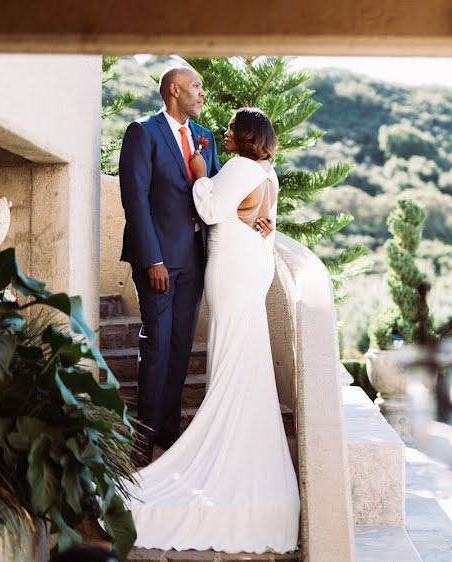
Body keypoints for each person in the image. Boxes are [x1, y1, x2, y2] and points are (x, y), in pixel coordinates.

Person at [127, 108, 299, 554]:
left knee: (228, 357)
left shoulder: (240, 167)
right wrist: (259, 222)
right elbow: (267, 223)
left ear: (243, 136)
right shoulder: (268, 172)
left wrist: (202, 174)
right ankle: (246, 448)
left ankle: (224, 453)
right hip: (253, 265)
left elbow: (208, 207)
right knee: (245, 356)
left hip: (232, 269)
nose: (223, 132)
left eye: (229, 129)